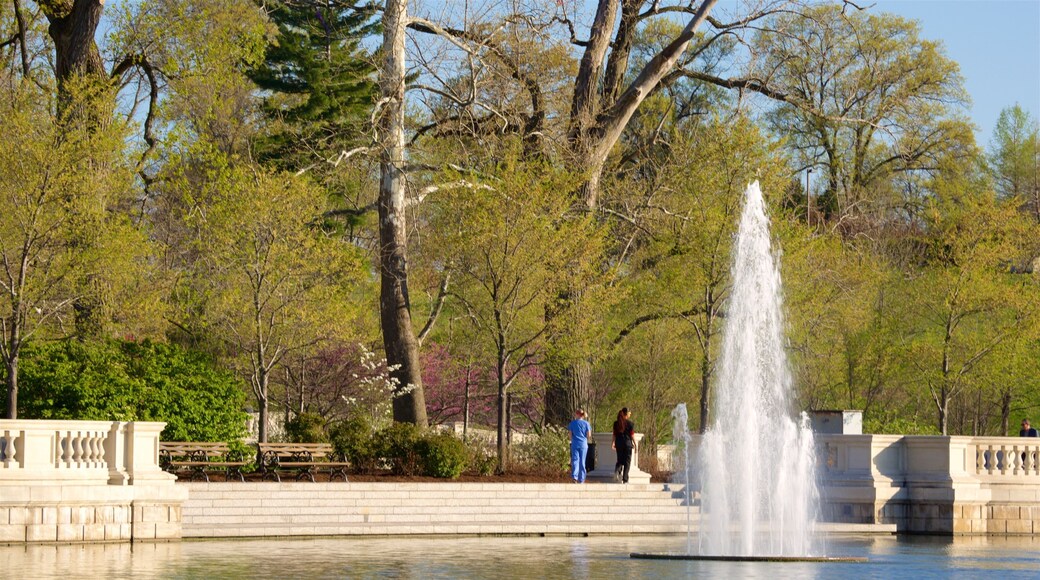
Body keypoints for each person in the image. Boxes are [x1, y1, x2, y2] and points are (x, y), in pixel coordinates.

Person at [611, 407, 636, 484]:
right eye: (629, 412)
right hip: (627, 444)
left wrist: (613, 443)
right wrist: (635, 444)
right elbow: (632, 435)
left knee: (620, 460)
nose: (630, 413)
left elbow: (614, 434)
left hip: (619, 443)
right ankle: (625, 479)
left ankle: (617, 472)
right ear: (626, 414)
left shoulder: (616, 423)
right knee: (627, 462)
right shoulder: (630, 423)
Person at [567, 409, 592, 484]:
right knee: (582, 461)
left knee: (575, 460)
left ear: (577, 414)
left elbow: (570, 435)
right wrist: (584, 438)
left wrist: (573, 439)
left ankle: (575, 477)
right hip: (583, 444)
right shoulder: (586, 424)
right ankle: (581, 479)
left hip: (575, 443)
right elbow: (589, 435)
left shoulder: (572, 423)